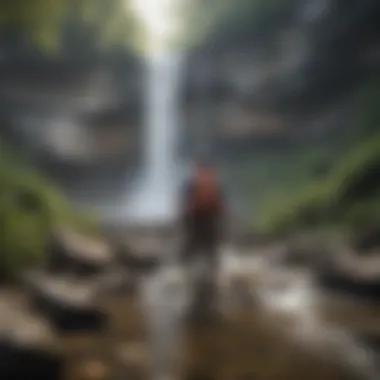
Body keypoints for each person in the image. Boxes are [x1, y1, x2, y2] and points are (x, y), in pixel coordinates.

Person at [179, 157, 226, 316]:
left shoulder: (191, 185)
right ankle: (211, 285)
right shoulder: (214, 185)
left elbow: (184, 207)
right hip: (210, 224)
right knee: (210, 252)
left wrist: (184, 224)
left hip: (196, 223)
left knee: (192, 251)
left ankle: (191, 283)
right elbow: (221, 208)